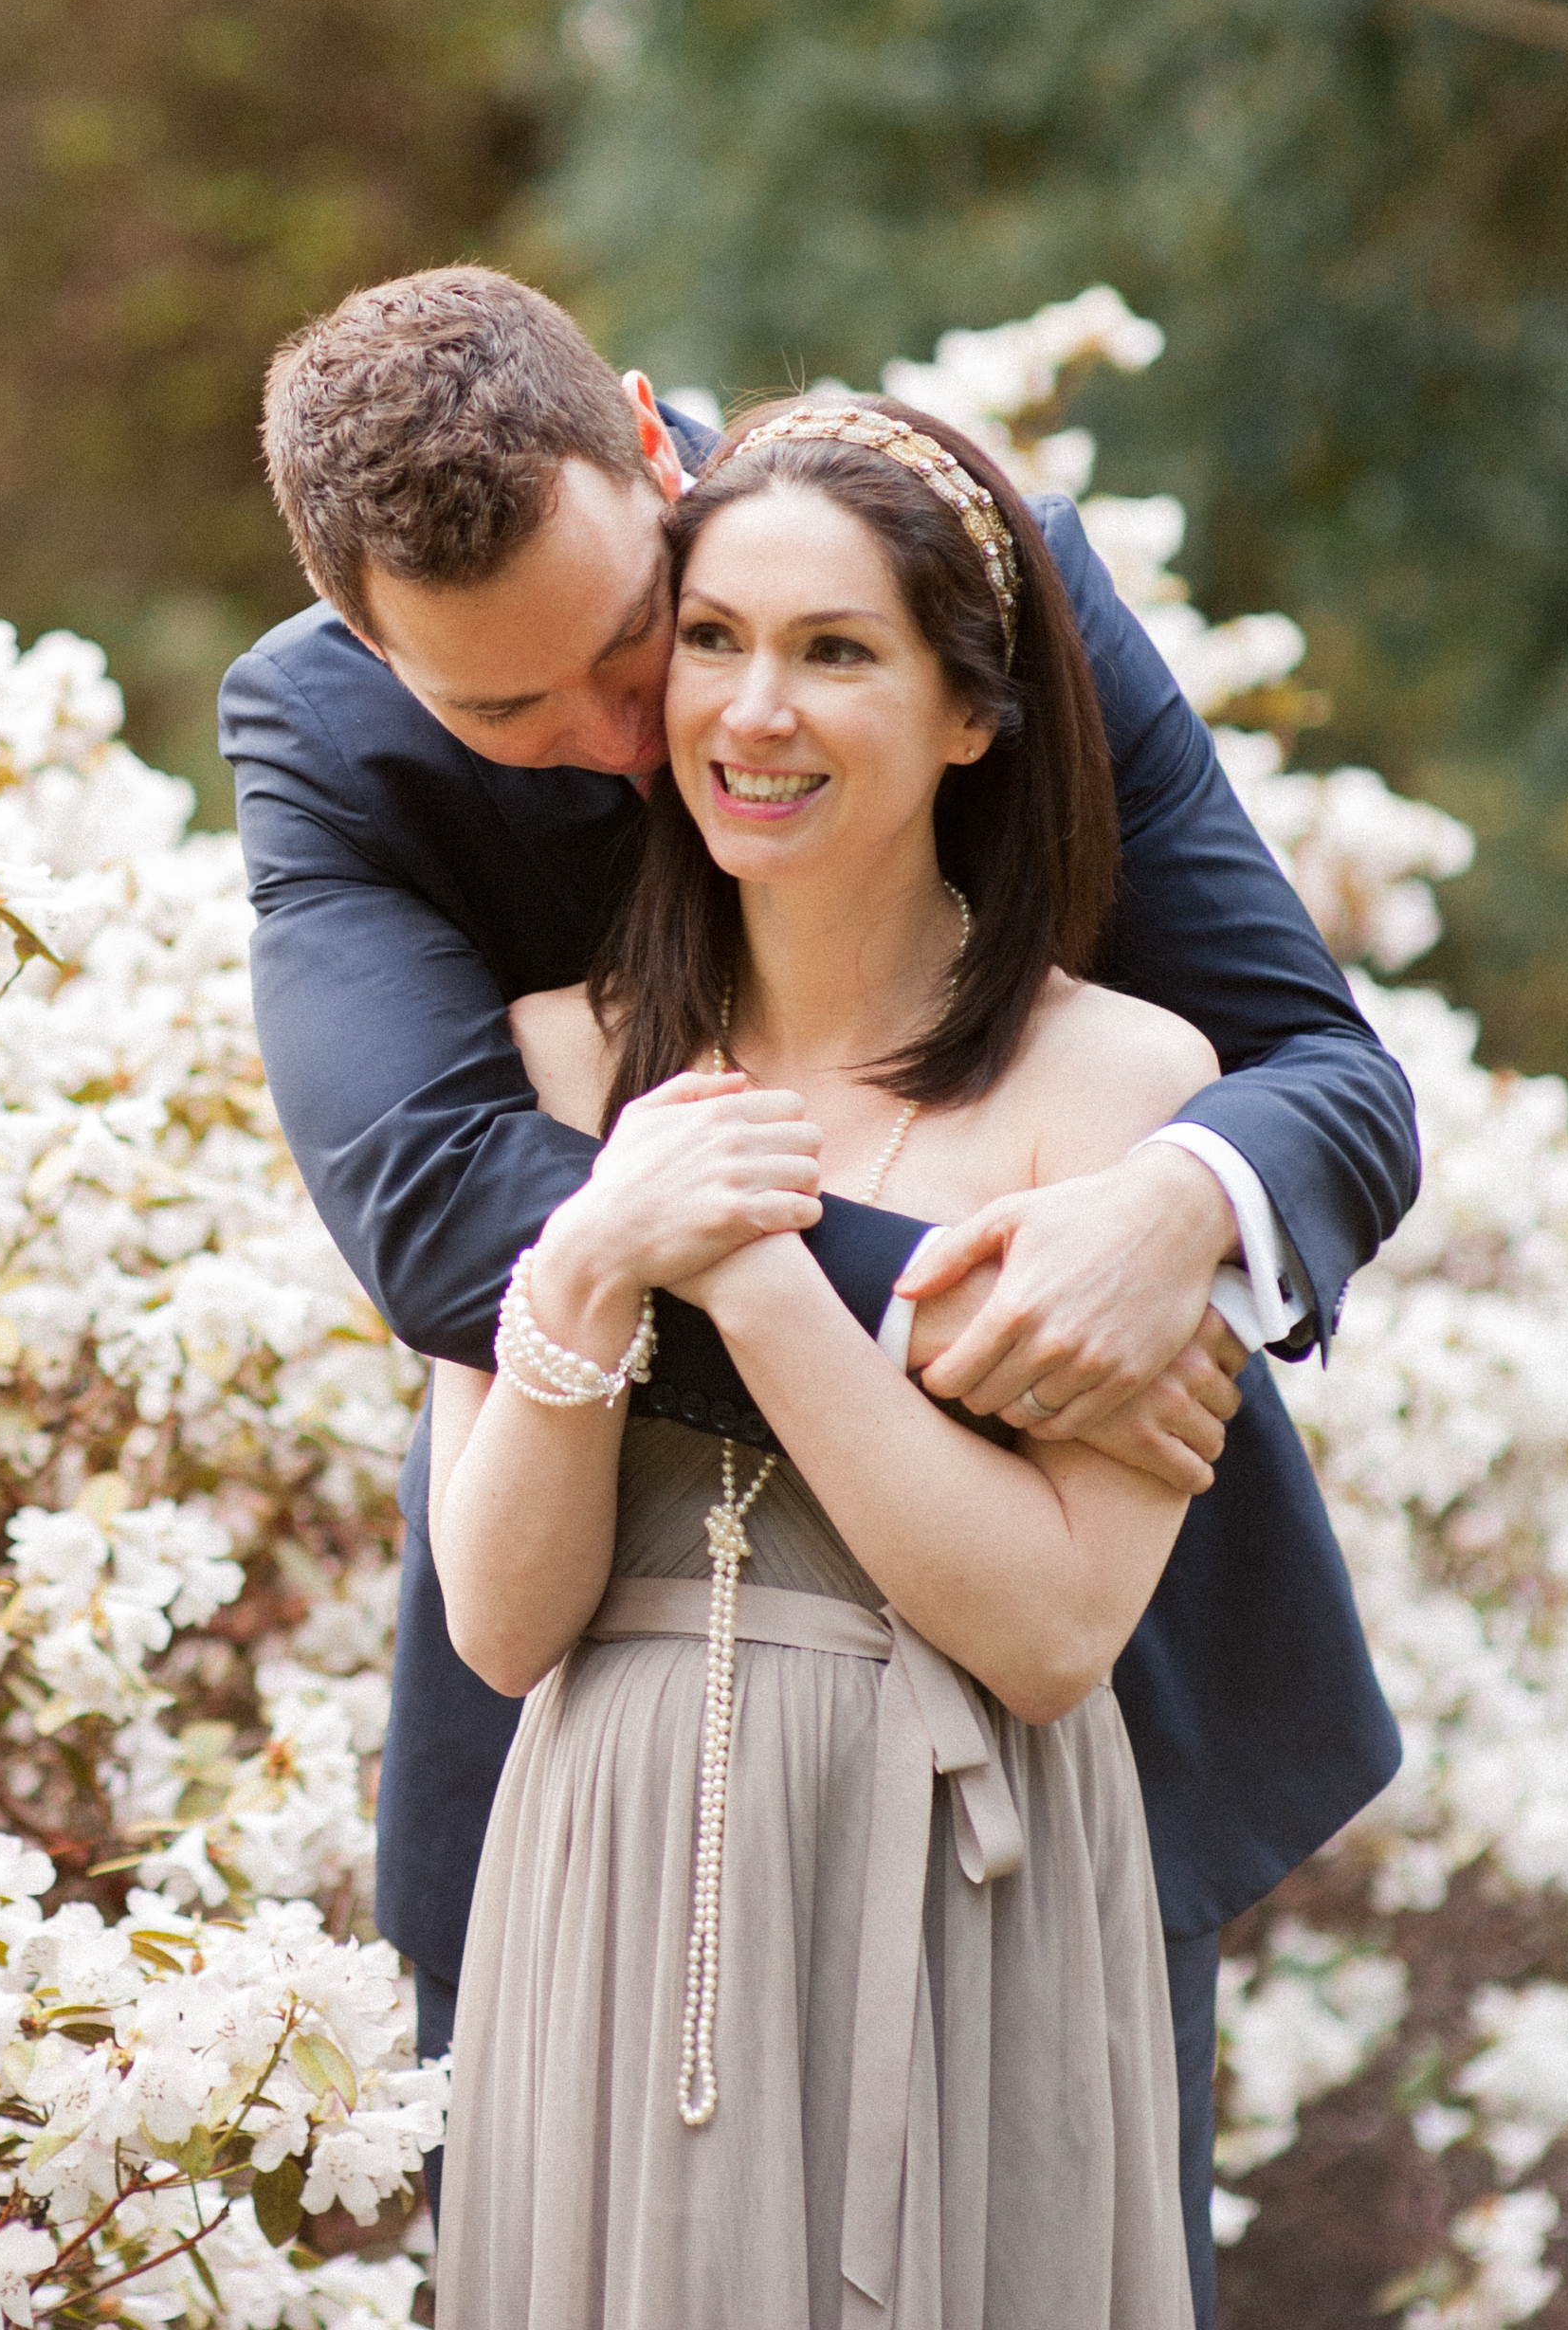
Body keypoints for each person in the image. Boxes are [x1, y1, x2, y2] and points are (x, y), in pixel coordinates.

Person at [221, 267, 1412, 2321]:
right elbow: (439, 1215)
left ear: (653, 454)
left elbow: (1320, 1075)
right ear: (365, 642)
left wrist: (1158, 1217)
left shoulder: (959, 568)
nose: (641, 740)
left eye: (629, 643)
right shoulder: (324, 740)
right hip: (586, 1765)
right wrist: (985, 1334)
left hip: (1040, 1736)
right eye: (509, 716)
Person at [434, 391, 1212, 2322]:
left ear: (970, 712)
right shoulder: (542, 1065)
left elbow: (1047, 1633)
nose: (749, 713)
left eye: (833, 653)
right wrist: (602, 1246)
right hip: (603, 1870)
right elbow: (503, 1621)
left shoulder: (1119, 1094)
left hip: (958, 1895)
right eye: (711, 642)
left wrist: (760, 1279)